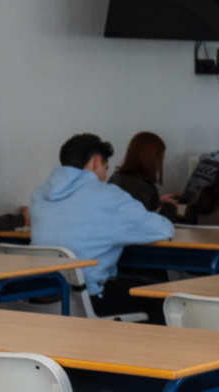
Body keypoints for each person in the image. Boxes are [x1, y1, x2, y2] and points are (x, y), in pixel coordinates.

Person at [31, 134, 173, 320]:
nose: (105, 177)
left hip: (40, 297)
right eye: (105, 168)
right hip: (86, 300)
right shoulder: (109, 196)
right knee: (164, 296)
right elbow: (162, 229)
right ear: (96, 162)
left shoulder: (40, 195)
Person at [108, 132, 178, 222]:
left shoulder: (114, 178)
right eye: (161, 160)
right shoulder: (143, 187)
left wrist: (157, 201)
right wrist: (170, 206)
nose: (159, 166)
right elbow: (161, 224)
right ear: (153, 160)